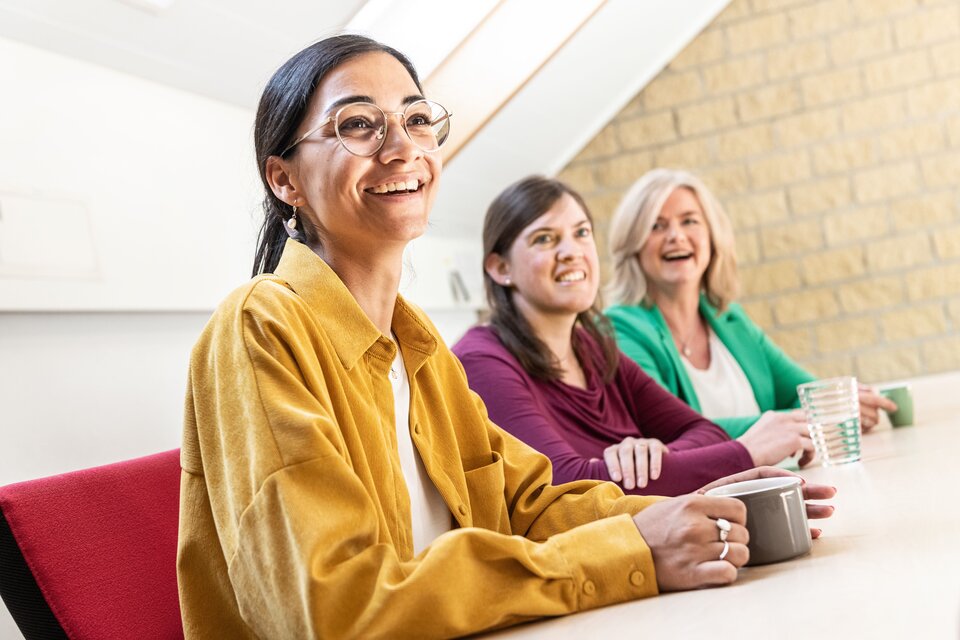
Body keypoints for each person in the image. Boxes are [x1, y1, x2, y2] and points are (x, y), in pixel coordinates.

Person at [176, 36, 835, 640]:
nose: (402, 146)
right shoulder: (260, 327)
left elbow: (530, 503)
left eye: (416, 120)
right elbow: (337, 605)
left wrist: (695, 507)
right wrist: (630, 551)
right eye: (356, 125)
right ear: (283, 179)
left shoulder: (417, 343)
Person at [453, 176, 811, 496]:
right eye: (545, 239)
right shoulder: (483, 361)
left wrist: (656, 454)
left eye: (581, 233)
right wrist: (746, 453)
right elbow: (567, 485)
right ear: (501, 268)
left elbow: (704, 431)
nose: (571, 252)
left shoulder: (595, 349)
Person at [605, 168, 896, 441]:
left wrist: (841, 401)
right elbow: (672, 432)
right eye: (657, 226)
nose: (676, 236)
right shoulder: (619, 329)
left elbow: (804, 396)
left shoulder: (729, 319)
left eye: (689, 221)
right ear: (634, 244)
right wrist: (811, 418)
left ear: (712, 236)